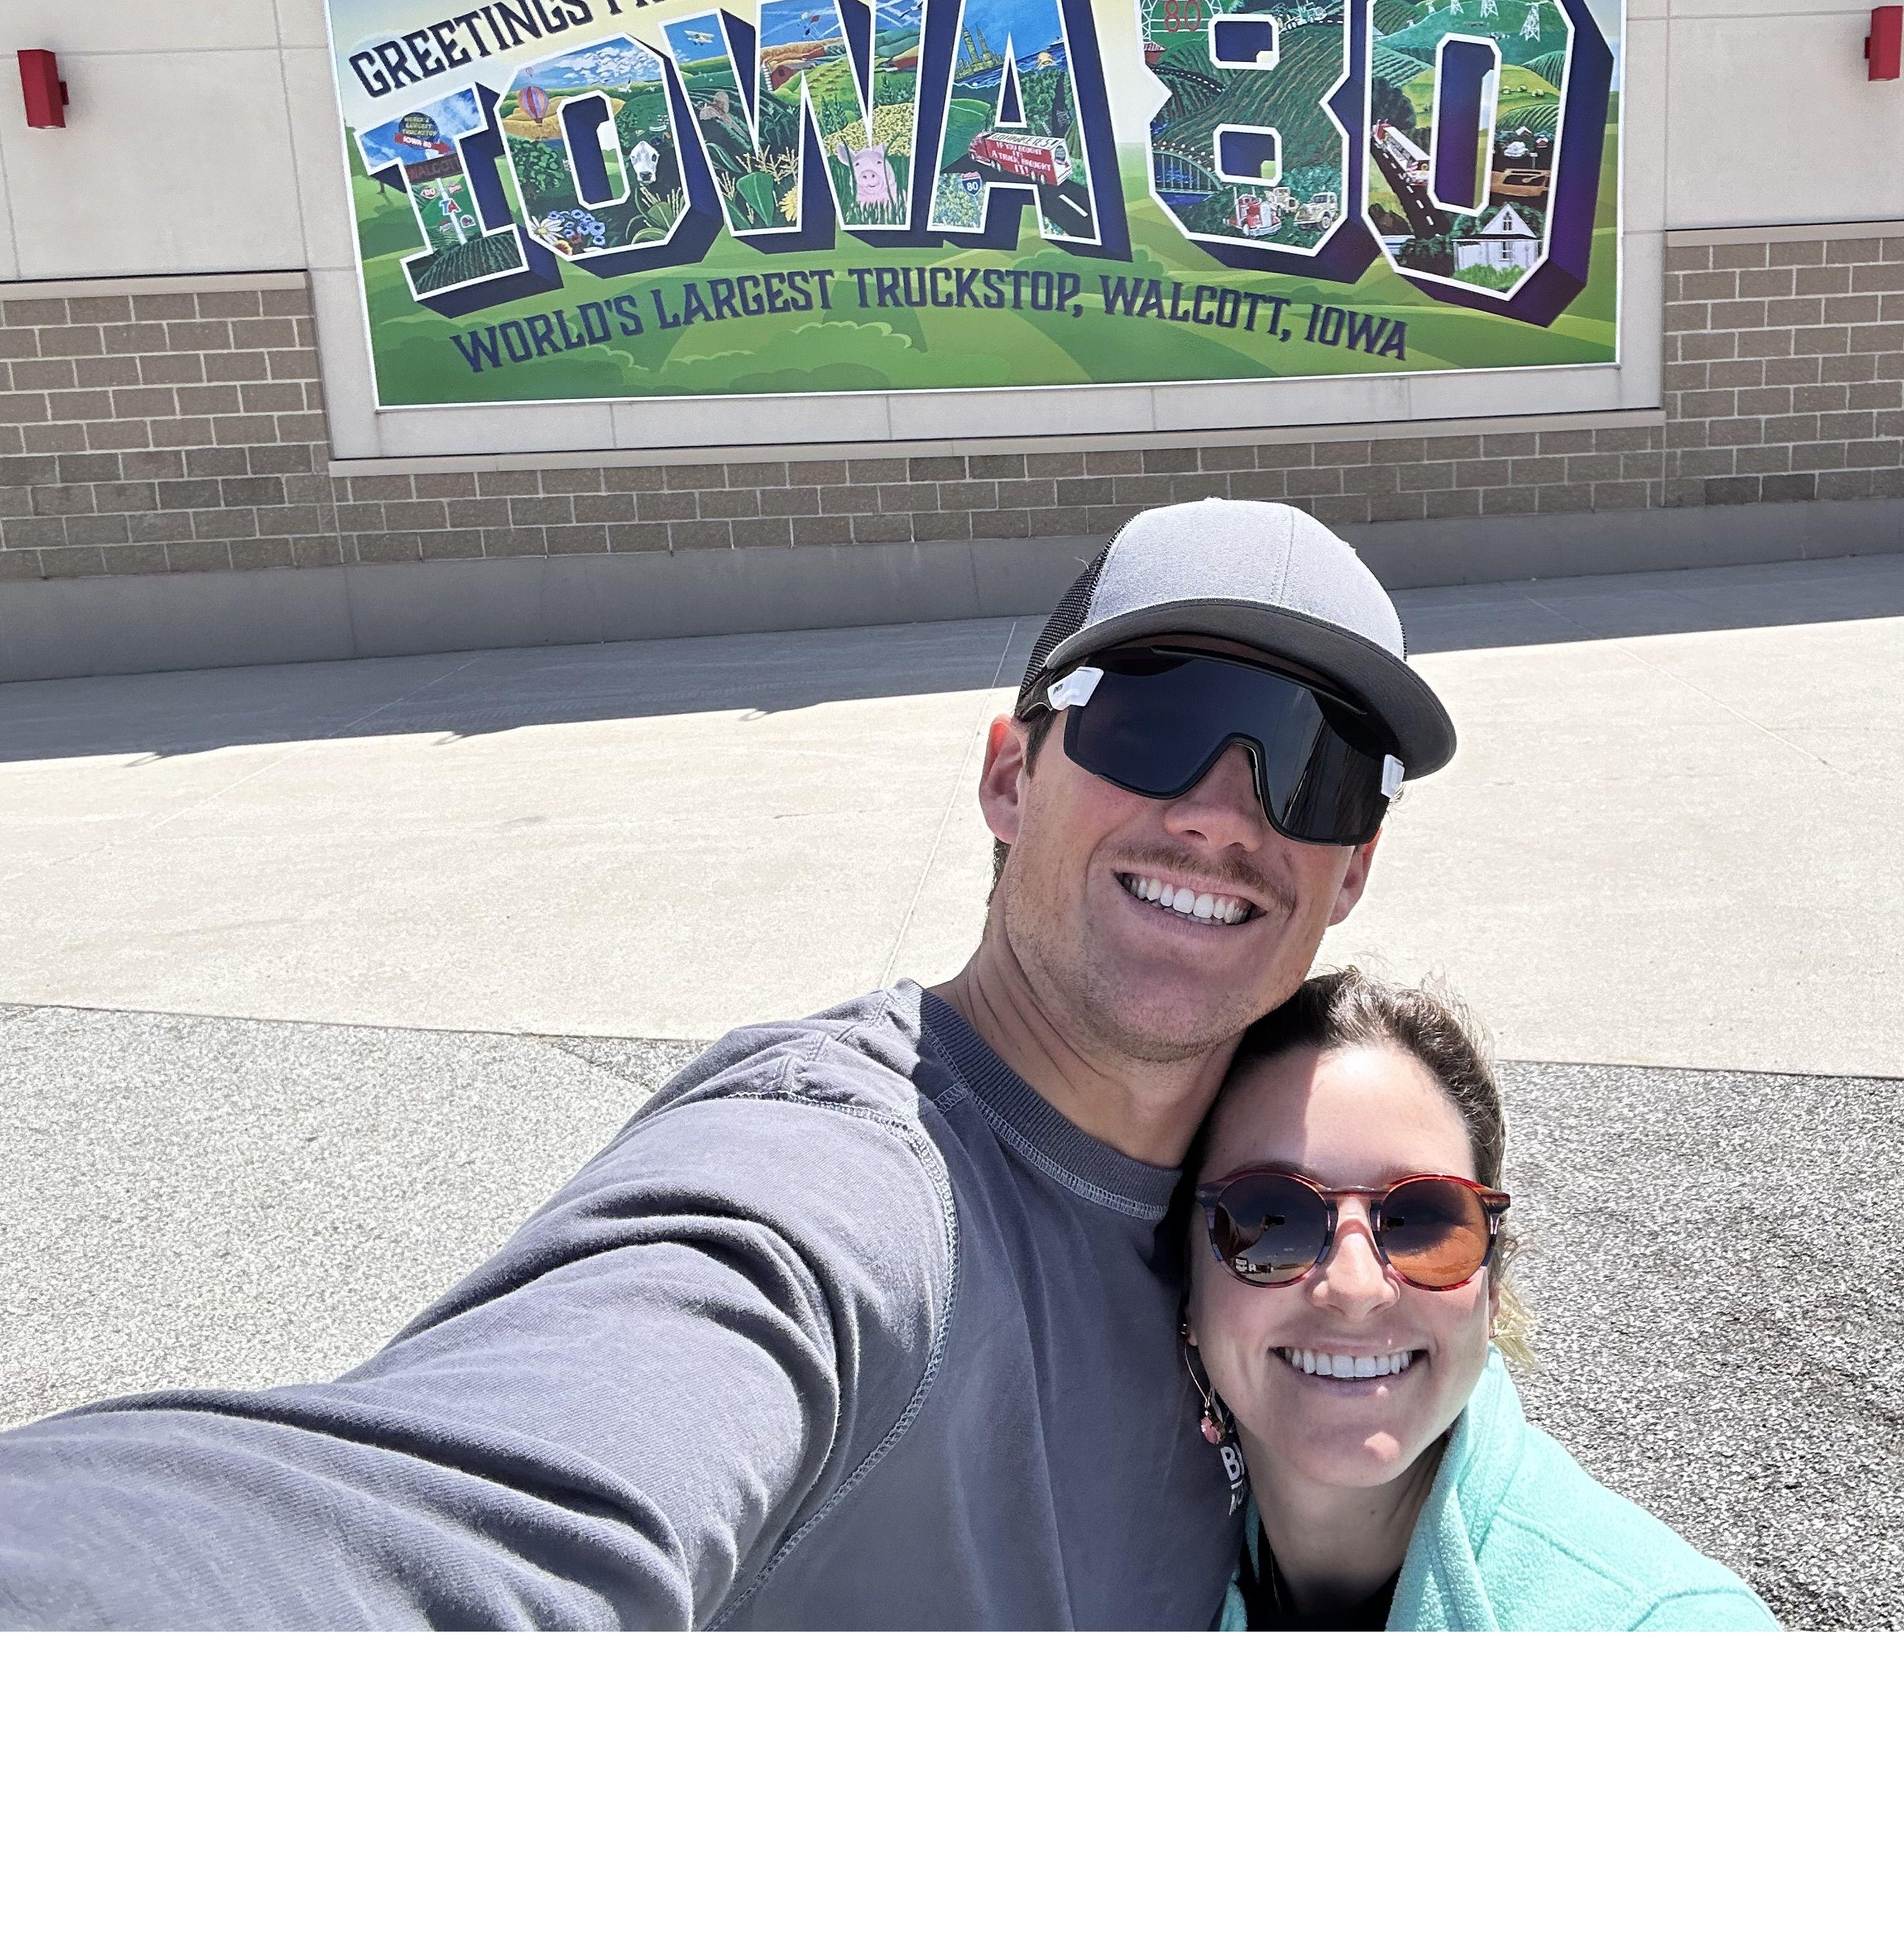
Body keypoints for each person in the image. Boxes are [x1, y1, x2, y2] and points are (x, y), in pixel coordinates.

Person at [0, 498, 1457, 1629]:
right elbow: (489, 1507)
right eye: (1156, 719)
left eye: (1311, 762)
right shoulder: (840, 1183)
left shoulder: (1279, 1202)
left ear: (1353, 870)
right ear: (1012, 776)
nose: (1221, 813)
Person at [1182, 970, 1776, 1632]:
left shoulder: (1666, 1630)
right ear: (1186, 1282)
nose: (1355, 1288)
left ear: (1492, 1289)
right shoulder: (1112, 1549)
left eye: (1427, 1221)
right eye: (1271, 1218)